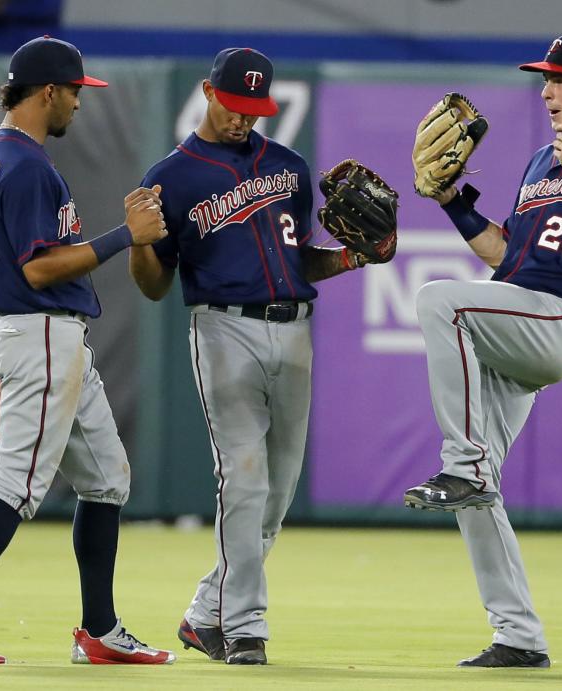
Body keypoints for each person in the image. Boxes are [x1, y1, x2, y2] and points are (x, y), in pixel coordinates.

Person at [0, 35, 175, 666]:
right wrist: (124, 235)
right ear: (48, 91)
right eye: (76, 91)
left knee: (107, 479)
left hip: (35, 333)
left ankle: (100, 631)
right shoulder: (26, 165)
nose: (80, 104)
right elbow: (36, 271)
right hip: (39, 332)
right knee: (16, 486)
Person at [404, 33, 562, 668]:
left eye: (560, 79)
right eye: (544, 79)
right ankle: (519, 636)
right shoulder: (540, 163)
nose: (546, 91)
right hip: (519, 313)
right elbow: (506, 259)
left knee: (440, 300)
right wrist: (451, 203)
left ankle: (461, 463)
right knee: (480, 493)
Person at [129, 47, 369, 665]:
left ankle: (204, 613)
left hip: (294, 330)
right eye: (234, 105)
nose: (242, 119)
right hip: (222, 329)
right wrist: (138, 244)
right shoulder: (171, 177)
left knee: (277, 493)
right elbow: (155, 284)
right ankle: (245, 628)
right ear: (210, 93)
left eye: (254, 109)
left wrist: (352, 256)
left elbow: (302, 262)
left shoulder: (288, 166)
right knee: (244, 478)